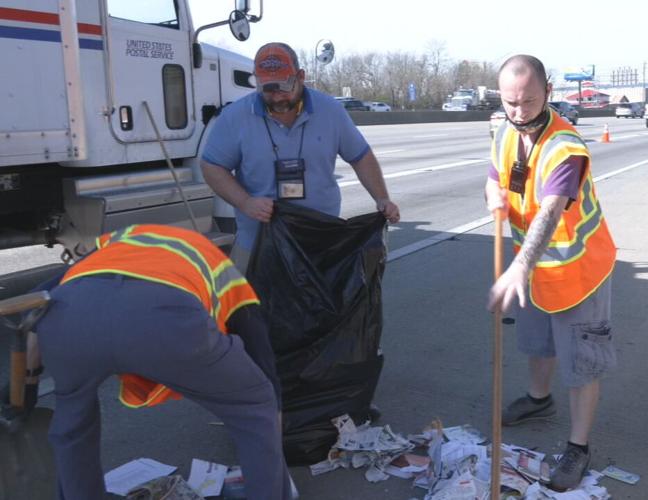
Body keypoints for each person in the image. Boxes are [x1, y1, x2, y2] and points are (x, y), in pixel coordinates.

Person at [30, 224, 293, 500]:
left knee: (72, 427)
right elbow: (258, 346)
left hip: (68, 319)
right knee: (254, 406)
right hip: (163, 318)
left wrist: (25, 386)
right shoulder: (222, 267)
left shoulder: (107, 249)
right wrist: (271, 410)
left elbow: (36, 311)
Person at [486, 55, 617, 492]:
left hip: (579, 270)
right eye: (511, 102)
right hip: (536, 270)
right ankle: (539, 400)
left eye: (528, 100)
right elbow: (495, 174)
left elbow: (552, 210)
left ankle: (578, 447)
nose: (519, 111)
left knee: (582, 363)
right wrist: (494, 193)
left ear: (548, 92)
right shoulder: (506, 130)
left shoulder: (565, 146)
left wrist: (519, 267)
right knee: (538, 343)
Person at [200, 42, 400, 272]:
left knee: (321, 306)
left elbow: (361, 157)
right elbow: (212, 166)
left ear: (301, 76)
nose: (276, 97)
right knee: (250, 307)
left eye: (284, 87)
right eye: (267, 88)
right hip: (257, 244)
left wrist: (382, 198)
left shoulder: (330, 111)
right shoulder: (236, 116)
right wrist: (245, 202)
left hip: (319, 243)